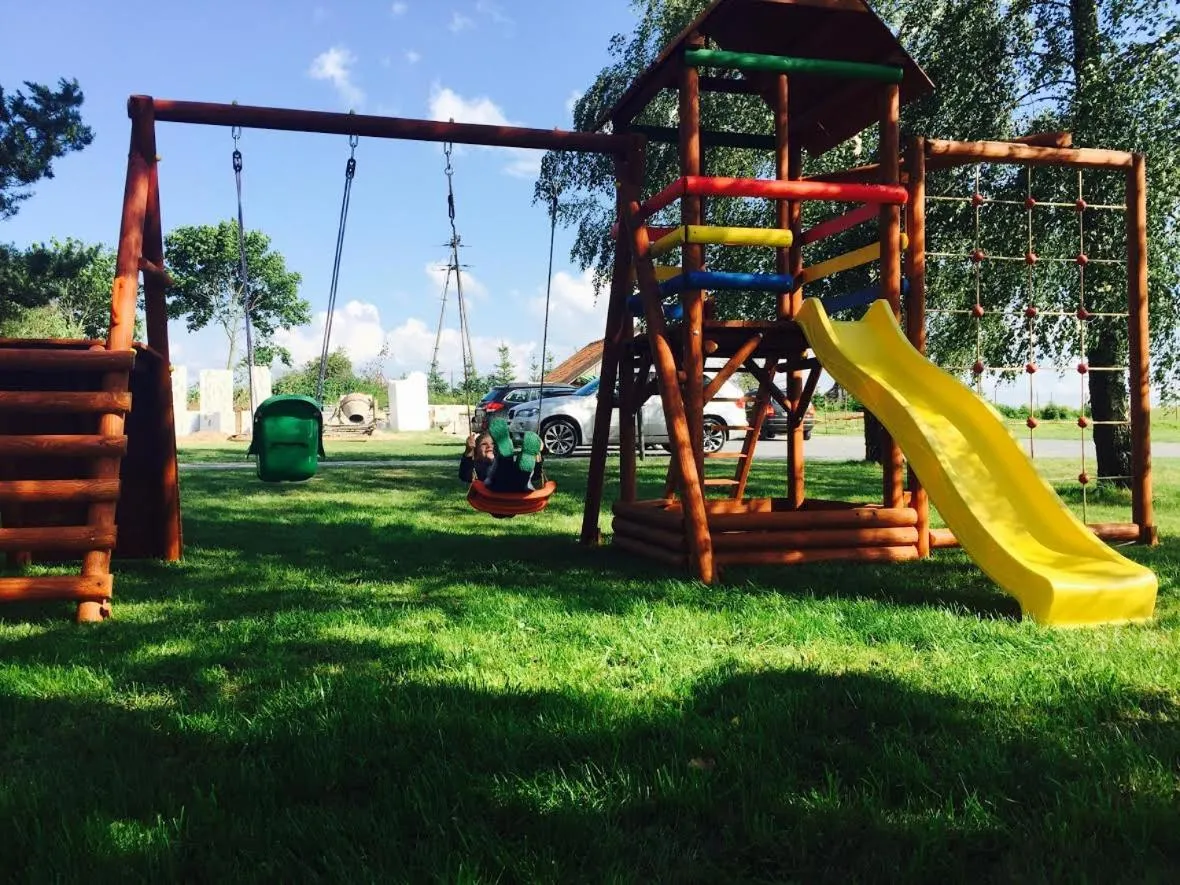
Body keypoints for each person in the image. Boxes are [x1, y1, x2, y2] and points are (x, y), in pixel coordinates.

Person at [459, 418, 544, 493]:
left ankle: (525, 456)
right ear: (476, 453)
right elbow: (465, 476)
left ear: (496, 448)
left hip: (517, 487)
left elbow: (536, 476)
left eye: (493, 444)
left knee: (518, 468)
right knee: (503, 467)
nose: (489, 446)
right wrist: (469, 451)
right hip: (496, 489)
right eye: (484, 444)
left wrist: (536, 456)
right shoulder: (477, 466)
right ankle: (506, 453)